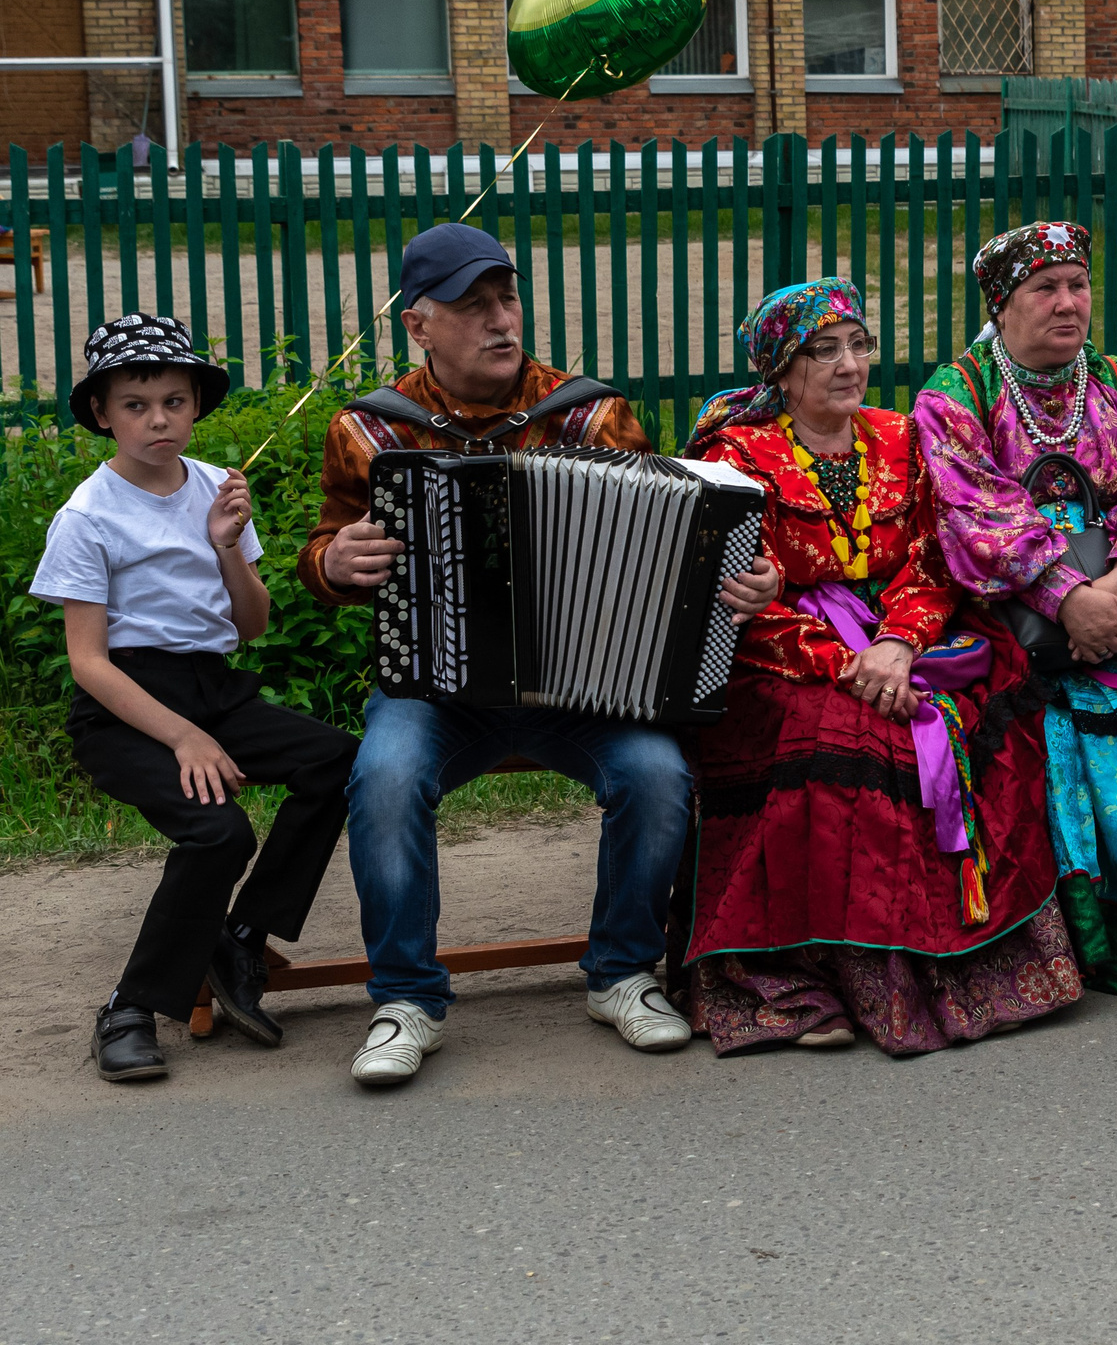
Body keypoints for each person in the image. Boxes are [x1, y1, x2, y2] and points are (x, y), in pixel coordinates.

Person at [299, 223, 781, 1084]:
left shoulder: (588, 415)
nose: (499, 320)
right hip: (437, 687)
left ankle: (621, 973)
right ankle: (406, 998)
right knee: (384, 779)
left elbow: (675, 548)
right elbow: (328, 549)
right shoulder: (371, 432)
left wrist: (744, 582)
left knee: (659, 776)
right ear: (419, 324)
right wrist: (332, 563)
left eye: (506, 298)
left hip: (582, 690)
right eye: (471, 305)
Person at [673, 279, 1081, 1053]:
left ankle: (963, 968)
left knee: (980, 729)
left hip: (905, 635)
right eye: (824, 351)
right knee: (838, 743)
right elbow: (743, 597)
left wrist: (895, 645)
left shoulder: (899, 436)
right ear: (783, 372)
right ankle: (797, 981)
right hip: (785, 650)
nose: (849, 364)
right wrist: (846, 663)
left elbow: (932, 560)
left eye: (858, 346)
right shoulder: (735, 457)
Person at [33, 316, 359, 1082]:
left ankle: (241, 938)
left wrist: (224, 546)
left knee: (342, 760)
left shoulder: (218, 487)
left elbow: (251, 626)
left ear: (195, 407)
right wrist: (183, 737)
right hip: (126, 707)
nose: (158, 419)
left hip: (216, 688)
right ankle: (129, 1007)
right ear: (102, 414)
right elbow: (88, 663)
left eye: (174, 401)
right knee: (218, 834)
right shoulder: (87, 516)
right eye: (137, 405)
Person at [911, 221, 1117, 1007]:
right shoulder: (956, 395)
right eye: (1043, 289)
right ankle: (1084, 937)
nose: (1067, 303)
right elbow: (971, 513)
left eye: (1077, 286)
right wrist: (1065, 598)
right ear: (1001, 303)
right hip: (1010, 618)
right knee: (1059, 729)